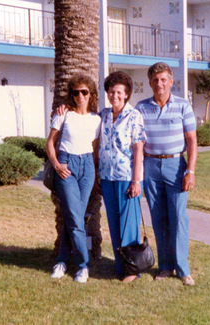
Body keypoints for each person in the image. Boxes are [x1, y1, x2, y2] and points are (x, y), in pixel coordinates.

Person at [135, 62, 198, 286]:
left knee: (179, 218)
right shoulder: (141, 108)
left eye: (164, 79)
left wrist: (190, 171)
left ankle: (182, 269)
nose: (159, 84)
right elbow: (136, 141)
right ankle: (164, 266)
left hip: (176, 167)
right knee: (159, 219)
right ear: (150, 82)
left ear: (171, 81)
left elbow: (192, 140)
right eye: (155, 79)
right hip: (151, 167)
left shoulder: (183, 105)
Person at [46, 74, 101, 283]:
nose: (80, 96)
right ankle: (83, 266)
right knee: (75, 217)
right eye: (76, 92)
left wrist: (94, 172)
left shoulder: (96, 119)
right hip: (66, 165)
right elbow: (50, 142)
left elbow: (94, 149)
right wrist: (57, 164)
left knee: (75, 217)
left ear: (91, 94)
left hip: (87, 166)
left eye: (84, 92)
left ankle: (61, 260)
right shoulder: (63, 115)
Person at [99, 71, 146, 283]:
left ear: (126, 94)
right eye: (111, 91)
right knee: (114, 223)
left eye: (118, 92)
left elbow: (138, 150)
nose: (114, 95)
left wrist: (136, 181)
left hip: (127, 177)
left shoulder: (134, 116)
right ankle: (120, 266)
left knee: (129, 223)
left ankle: (132, 270)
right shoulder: (103, 115)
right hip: (107, 177)